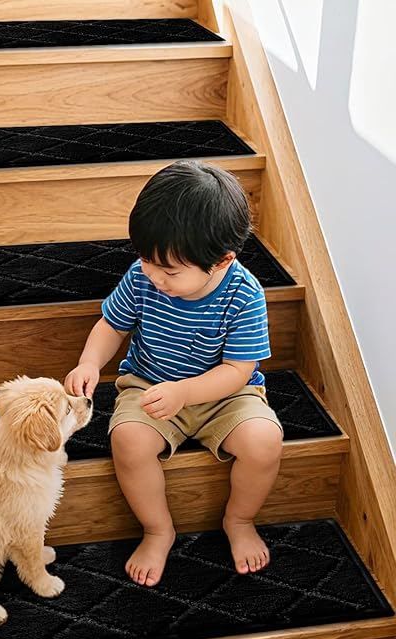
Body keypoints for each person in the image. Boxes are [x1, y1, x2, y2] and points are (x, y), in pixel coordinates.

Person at [64, 160, 284, 586]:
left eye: (169, 271)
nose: (153, 276)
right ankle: (157, 529)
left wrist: (185, 393)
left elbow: (238, 370)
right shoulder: (142, 277)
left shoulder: (245, 294)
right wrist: (90, 361)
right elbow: (112, 325)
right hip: (148, 384)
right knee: (128, 440)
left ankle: (239, 520)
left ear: (222, 261)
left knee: (265, 441)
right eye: (146, 260)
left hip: (226, 396)